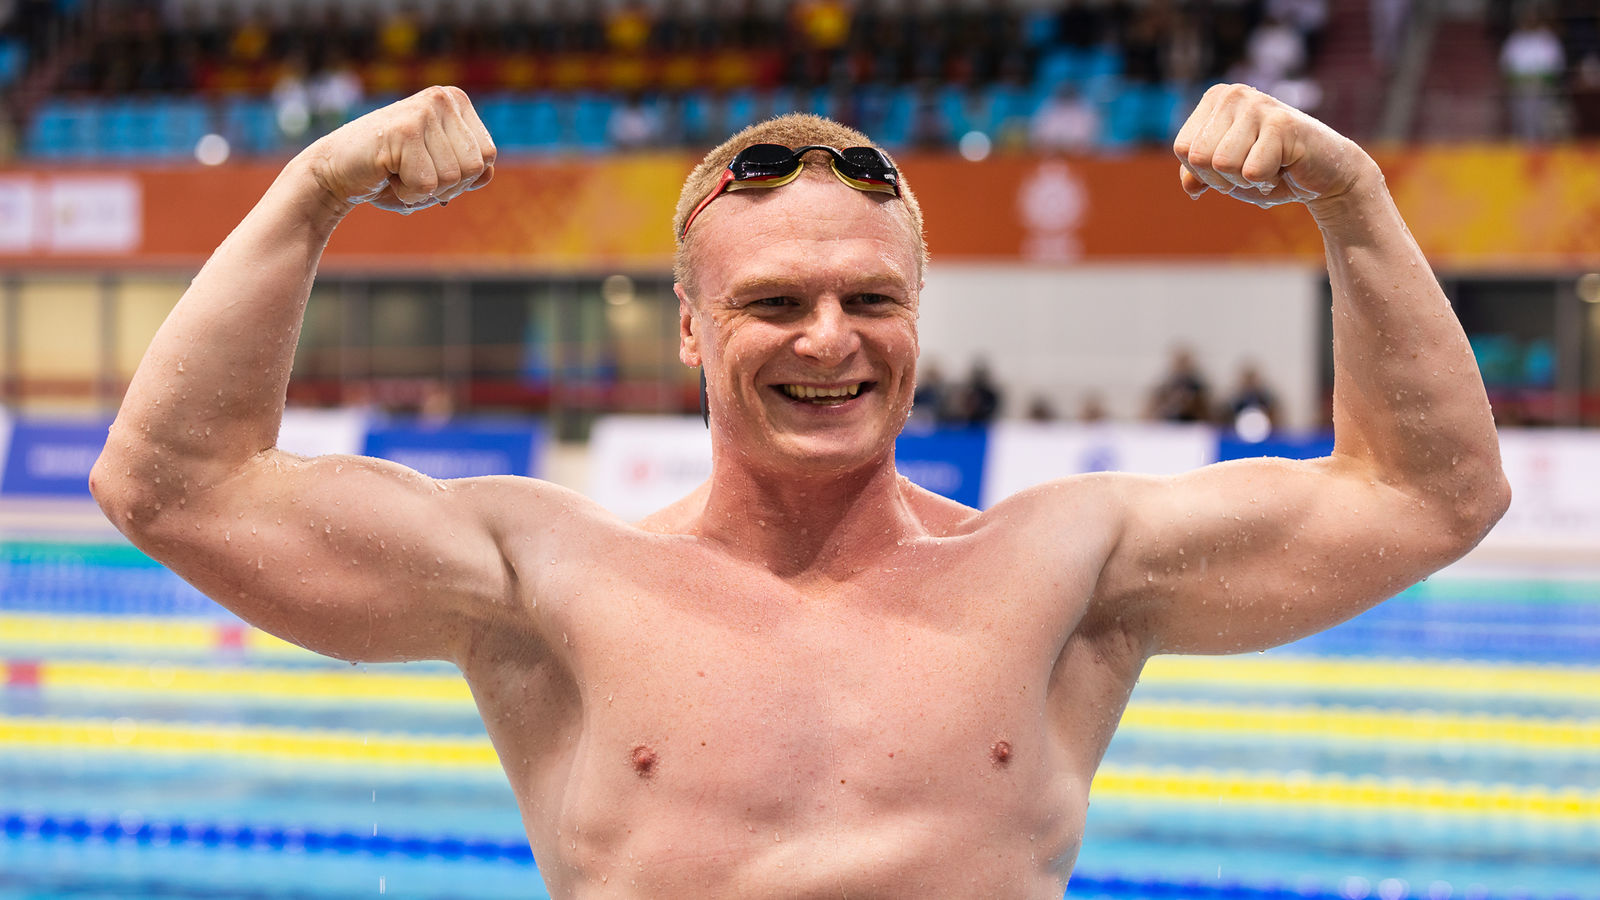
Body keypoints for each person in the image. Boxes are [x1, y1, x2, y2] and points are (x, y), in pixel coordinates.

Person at [90, 83, 1509, 898]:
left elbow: (1428, 495)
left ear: (918, 316)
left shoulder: (1069, 569)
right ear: (691, 329)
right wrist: (313, 188)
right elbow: (172, 486)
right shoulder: (544, 582)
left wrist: (1351, 196)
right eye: (774, 302)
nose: (830, 341)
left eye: (869, 300)